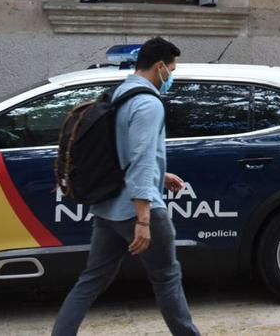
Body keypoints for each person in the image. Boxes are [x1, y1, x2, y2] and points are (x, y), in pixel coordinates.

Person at [53, 37, 200, 336]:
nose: (171, 76)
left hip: (108, 207)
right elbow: (141, 158)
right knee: (167, 278)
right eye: (171, 69)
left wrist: (162, 175)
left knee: (92, 279)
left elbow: (122, 151)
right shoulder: (148, 103)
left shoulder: (118, 93)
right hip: (138, 210)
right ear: (160, 67)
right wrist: (144, 219)